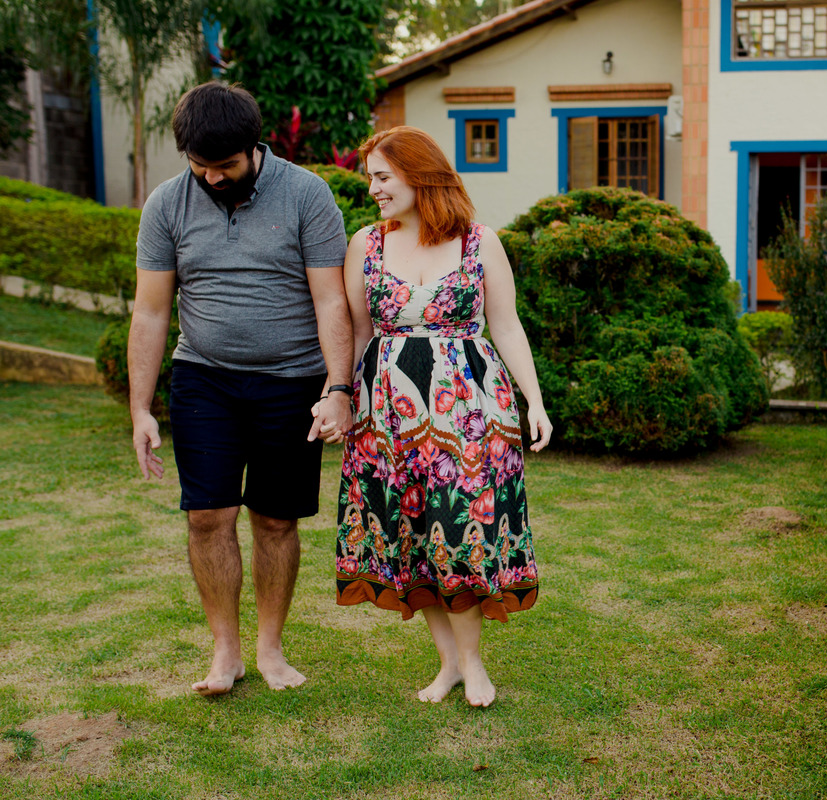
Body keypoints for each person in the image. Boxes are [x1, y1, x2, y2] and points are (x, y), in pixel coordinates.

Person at [128, 82, 353, 696]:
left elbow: (331, 297)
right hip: (204, 378)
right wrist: (140, 407)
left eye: (225, 166)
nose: (212, 178)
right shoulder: (166, 205)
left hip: (293, 381)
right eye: (200, 166)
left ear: (255, 147)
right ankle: (224, 653)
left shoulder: (307, 194)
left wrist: (339, 388)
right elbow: (150, 312)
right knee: (208, 517)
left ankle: (270, 649)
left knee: (277, 520)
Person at [319, 126, 550, 708]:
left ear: (419, 175)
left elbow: (507, 325)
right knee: (413, 533)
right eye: (370, 176)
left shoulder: (480, 242)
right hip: (388, 414)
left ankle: (473, 666)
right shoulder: (364, 245)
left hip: (470, 411)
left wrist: (535, 400)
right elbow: (358, 331)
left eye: (382, 177)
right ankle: (449, 664)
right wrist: (338, 394)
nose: (372, 187)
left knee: (460, 530)